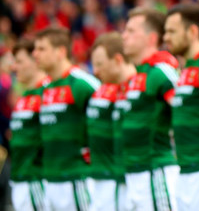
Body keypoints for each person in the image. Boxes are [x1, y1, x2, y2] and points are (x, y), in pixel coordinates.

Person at [34, 27, 100, 211]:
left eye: (41, 49)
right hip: (50, 178)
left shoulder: (81, 84)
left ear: (61, 51)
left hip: (77, 178)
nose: (35, 54)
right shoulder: (44, 88)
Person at [121, 7, 179, 211]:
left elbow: (183, 110)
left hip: (156, 171)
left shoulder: (161, 71)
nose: (124, 36)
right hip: (134, 172)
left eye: (130, 31)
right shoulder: (138, 75)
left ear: (151, 38)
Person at [164, 3, 199, 211]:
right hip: (185, 169)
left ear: (192, 32)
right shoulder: (186, 70)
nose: (166, 38)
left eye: (172, 31)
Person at [88, 32, 133, 211]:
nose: (95, 71)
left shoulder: (135, 89)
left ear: (117, 60)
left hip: (125, 179)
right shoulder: (101, 89)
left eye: (99, 64)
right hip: (101, 178)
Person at [10, 39, 49, 211]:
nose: (14, 67)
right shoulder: (25, 96)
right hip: (20, 179)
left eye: (19, 61)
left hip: (38, 180)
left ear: (36, 60)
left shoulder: (48, 93)